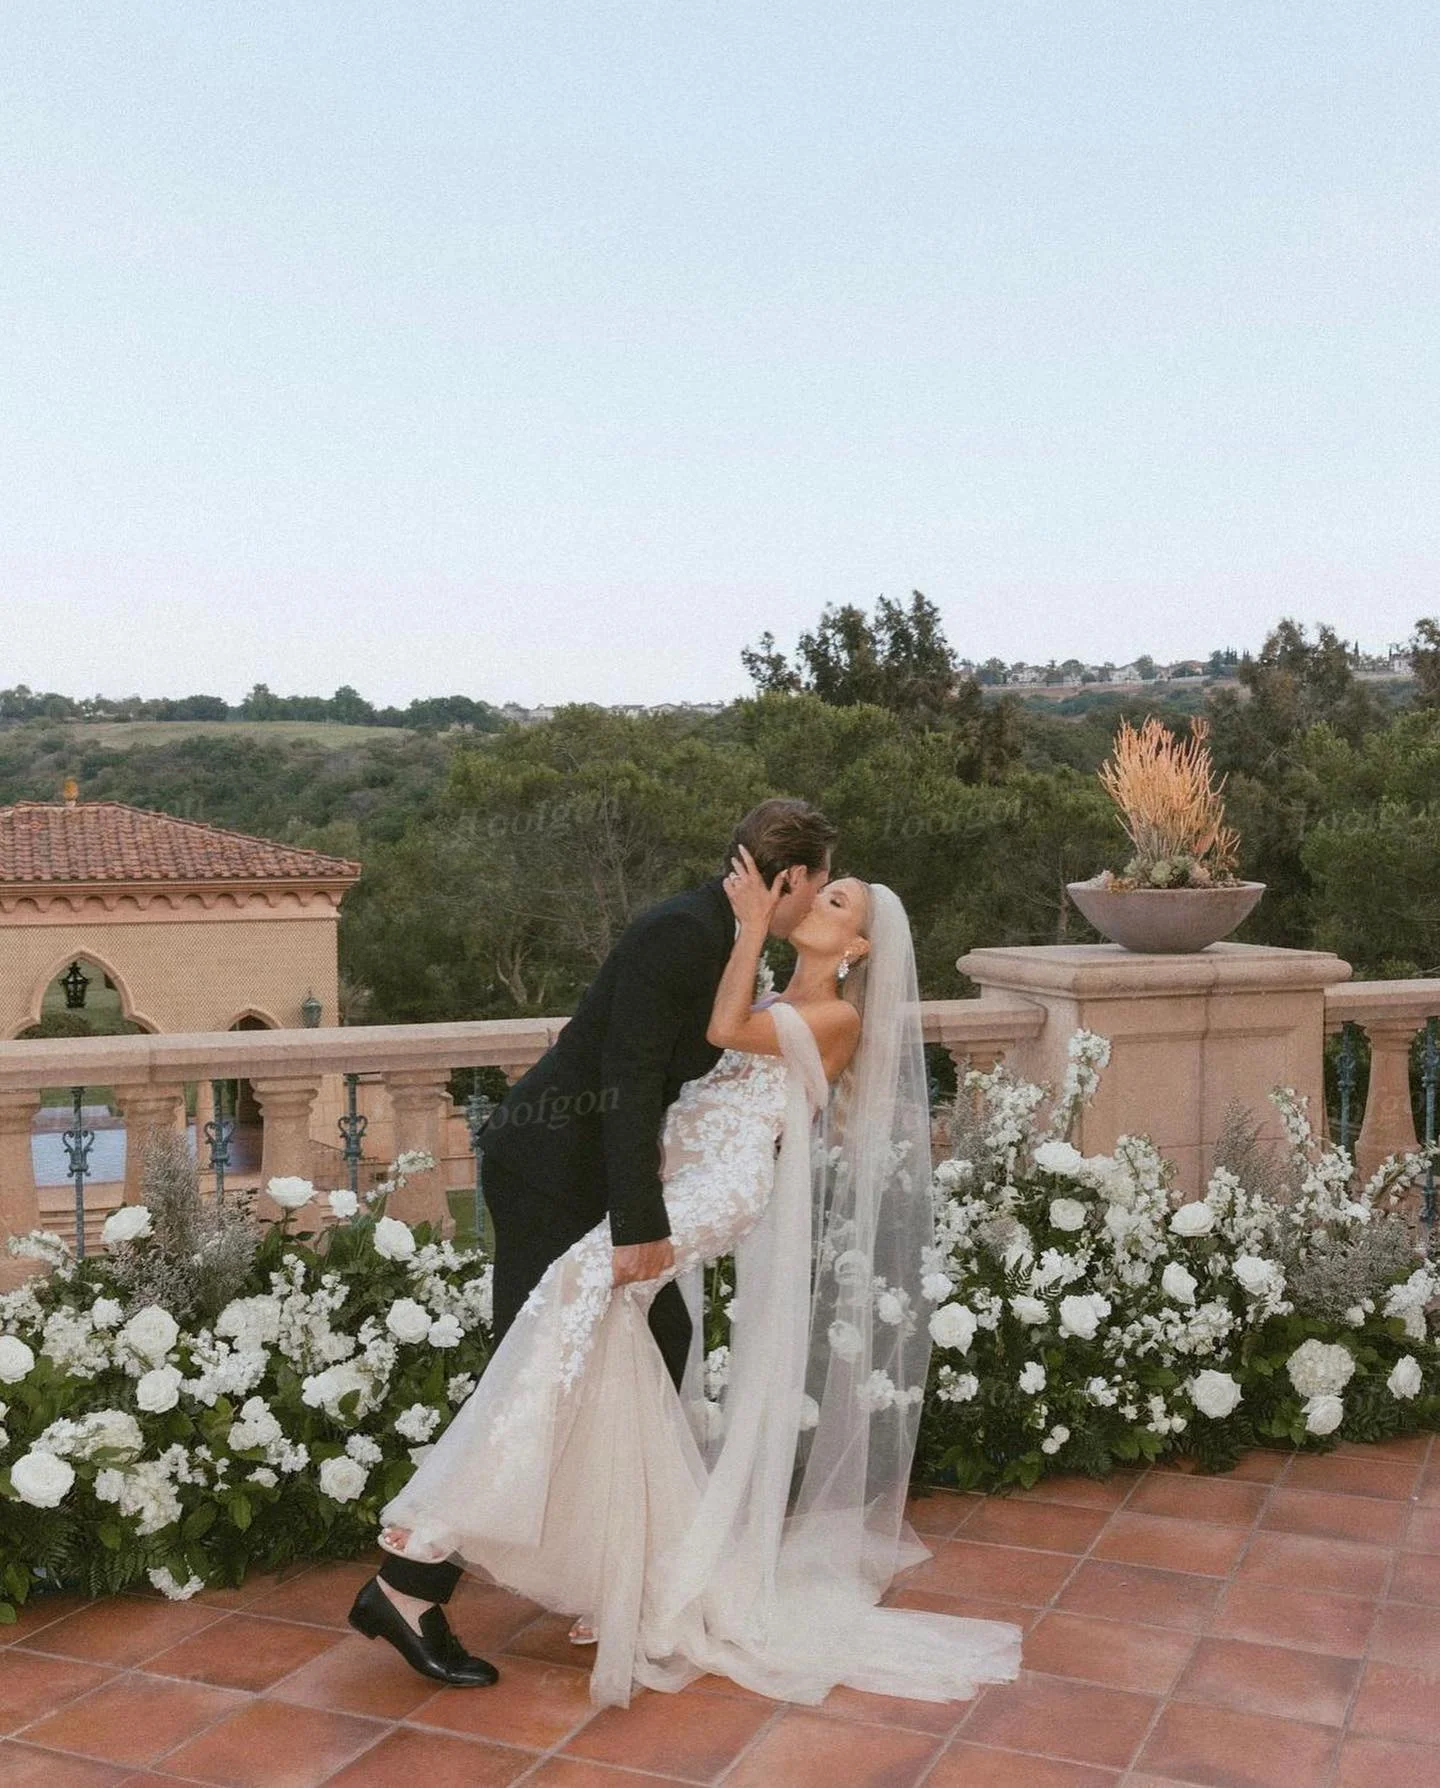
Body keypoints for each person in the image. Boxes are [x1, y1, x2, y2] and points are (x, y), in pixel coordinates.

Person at [356, 837, 1022, 1709]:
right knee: (609, 1347)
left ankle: (417, 1556)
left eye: (837, 905)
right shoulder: (776, 990)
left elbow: (719, 1033)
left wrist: (748, 926)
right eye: (822, 891)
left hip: (713, 1196)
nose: (820, 905)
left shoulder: (837, 1019)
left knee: (566, 1308)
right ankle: (610, 1576)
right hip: (669, 1189)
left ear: (856, 949)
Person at [346, 798, 837, 1684]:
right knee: (543, 1362)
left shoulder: (733, 935)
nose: (821, 899)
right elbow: (626, 1077)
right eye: (821, 884)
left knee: (654, 1343)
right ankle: (410, 1583)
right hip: (551, 1169)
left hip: (596, 1171)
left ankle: (617, 1579)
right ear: (792, 876)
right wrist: (643, 1223)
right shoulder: (684, 933)